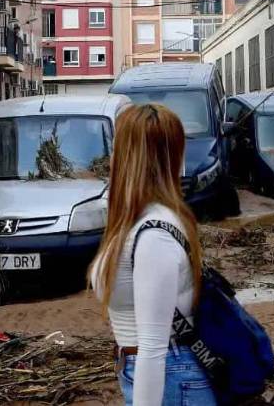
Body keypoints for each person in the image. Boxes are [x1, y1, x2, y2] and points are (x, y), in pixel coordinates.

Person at [90, 104, 216, 405]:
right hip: (161, 375)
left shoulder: (154, 235)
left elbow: (152, 348)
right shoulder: (137, 221)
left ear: (127, 156)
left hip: (169, 376)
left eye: (116, 147)